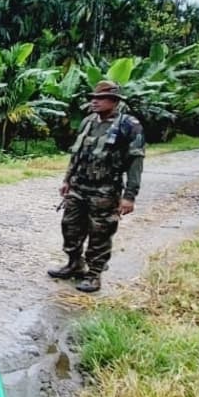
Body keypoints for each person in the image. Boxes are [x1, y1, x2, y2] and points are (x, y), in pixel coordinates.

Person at [48, 81, 144, 293]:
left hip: (105, 191)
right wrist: (67, 179)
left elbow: (136, 161)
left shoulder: (129, 125)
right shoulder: (88, 122)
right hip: (79, 187)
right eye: (93, 98)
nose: (94, 101)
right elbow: (77, 154)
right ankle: (74, 263)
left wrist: (129, 196)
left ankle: (94, 274)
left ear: (114, 101)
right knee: (70, 227)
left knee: (100, 233)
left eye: (99, 98)